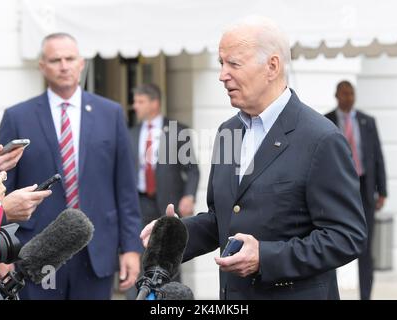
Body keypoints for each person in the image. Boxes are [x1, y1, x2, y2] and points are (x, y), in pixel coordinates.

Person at [141, 16, 367, 300]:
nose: (223, 74)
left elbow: (346, 237)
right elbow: (221, 219)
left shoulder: (321, 138)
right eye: (221, 63)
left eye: (233, 64)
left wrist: (265, 257)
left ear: (272, 66)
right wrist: (173, 235)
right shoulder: (228, 132)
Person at [0, 32, 142, 299]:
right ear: (42, 66)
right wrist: (1, 253)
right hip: (36, 249)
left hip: (96, 247)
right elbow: (3, 189)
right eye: (55, 60)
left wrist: (131, 248)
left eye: (69, 58)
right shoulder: (18, 117)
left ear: (81, 63)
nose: (63, 66)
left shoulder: (110, 114)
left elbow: (125, 188)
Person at [325, 80, 387, 300]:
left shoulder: (367, 121)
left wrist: (383, 191)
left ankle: (366, 296)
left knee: (366, 247)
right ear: (336, 95)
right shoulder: (327, 121)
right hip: (337, 189)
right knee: (330, 240)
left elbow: (377, 157)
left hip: (364, 188)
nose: (349, 97)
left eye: (351, 93)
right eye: (344, 93)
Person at [130, 83, 199, 226]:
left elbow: (192, 170)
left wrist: (189, 196)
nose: (135, 106)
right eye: (135, 101)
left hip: (170, 203)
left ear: (155, 104)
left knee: (169, 246)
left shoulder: (177, 130)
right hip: (140, 204)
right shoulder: (131, 133)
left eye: (140, 102)